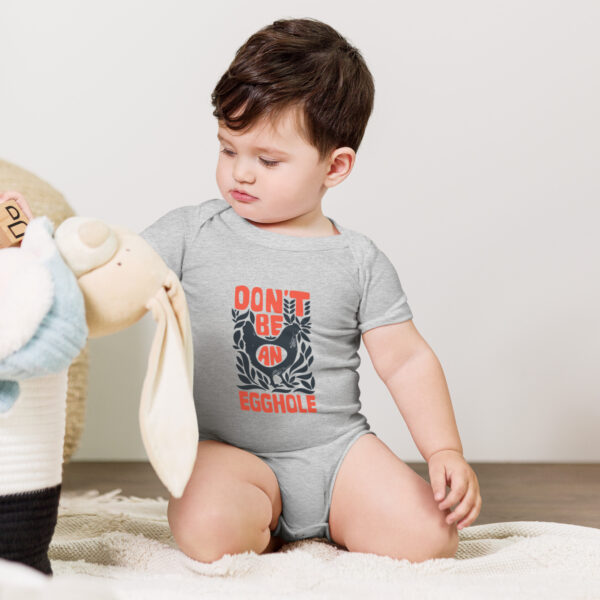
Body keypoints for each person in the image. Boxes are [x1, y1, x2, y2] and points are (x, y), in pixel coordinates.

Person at [140, 17, 481, 564]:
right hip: (230, 451)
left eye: (267, 160)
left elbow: (406, 361)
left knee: (431, 539)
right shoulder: (191, 233)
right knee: (206, 529)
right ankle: (264, 520)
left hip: (335, 454)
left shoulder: (358, 260)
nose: (240, 174)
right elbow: (116, 269)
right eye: (229, 150)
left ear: (335, 165)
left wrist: (444, 450)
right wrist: (42, 249)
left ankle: (321, 521)